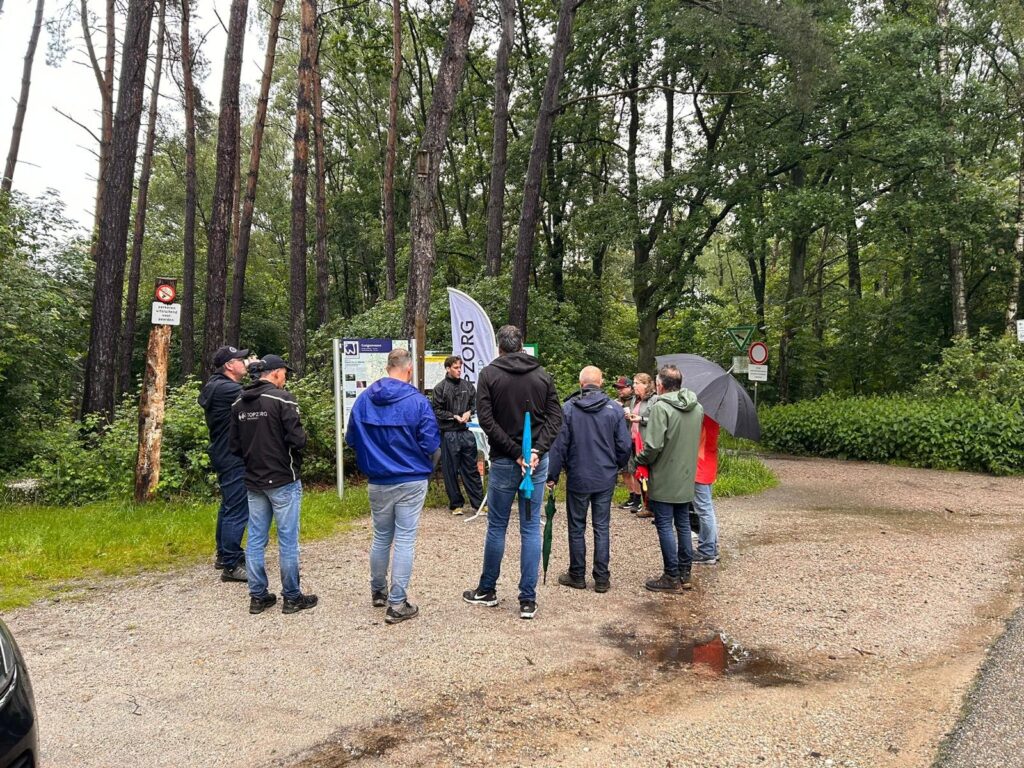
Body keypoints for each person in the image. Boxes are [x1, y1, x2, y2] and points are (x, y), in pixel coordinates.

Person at [463, 325, 562, 620]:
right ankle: (527, 600)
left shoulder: (489, 375)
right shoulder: (542, 375)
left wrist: (525, 452)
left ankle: (488, 590)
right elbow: (556, 418)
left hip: (512, 461)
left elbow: (487, 421)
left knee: (497, 526)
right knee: (530, 528)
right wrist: (533, 452)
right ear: (520, 346)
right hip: (530, 460)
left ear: (500, 348)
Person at [346, 348, 440, 624]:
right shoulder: (417, 401)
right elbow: (431, 443)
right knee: (405, 539)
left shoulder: (364, 400)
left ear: (388, 367)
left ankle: (378, 591)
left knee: (381, 536)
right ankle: (397, 602)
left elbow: (352, 439)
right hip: (410, 478)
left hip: (378, 479)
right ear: (409, 370)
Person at [230, 354, 317, 615]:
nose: (286, 378)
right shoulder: (282, 399)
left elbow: (234, 445)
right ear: (276, 372)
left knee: (256, 539)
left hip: (253, 480)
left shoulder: (237, 403)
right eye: (285, 373)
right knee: (288, 540)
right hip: (282, 479)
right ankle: (291, 597)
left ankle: (258, 596)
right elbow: (298, 439)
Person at [547, 366, 631, 593]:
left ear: (580, 383)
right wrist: (615, 465)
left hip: (578, 476)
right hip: (605, 476)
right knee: (601, 526)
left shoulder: (569, 409)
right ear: (601, 382)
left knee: (577, 526)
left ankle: (577, 574)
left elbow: (559, 446)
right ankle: (602, 578)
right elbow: (625, 446)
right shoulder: (614, 410)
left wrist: (552, 475)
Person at [635, 365, 703, 592]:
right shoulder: (698, 408)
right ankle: (685, 573)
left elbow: (653, 446)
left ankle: (670, 576)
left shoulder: (661, 408)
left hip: (664, 475)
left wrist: (639, 460)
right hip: (686, 475)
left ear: (661, 385)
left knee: (664, 524)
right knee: (683, 523)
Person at [197, 345, 251, 583]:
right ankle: (231, 563)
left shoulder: (217, 385)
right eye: (241, 359)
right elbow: (257, 397)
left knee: (229, 504)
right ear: (229, 365)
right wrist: (260, 372)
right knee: (237, 508)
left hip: (223, 451)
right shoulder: (227, 388)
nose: (245, 362)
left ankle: (223, 554)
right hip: (231, 455)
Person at [431, 355, 484, 515]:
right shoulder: (440, 388)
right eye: (455, 367)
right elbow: (437, 410)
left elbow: (475, 403)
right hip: (449, 433)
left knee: (471, 468)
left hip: (466, 433)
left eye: (460, 367)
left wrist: (469, 412)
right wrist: (453, 416)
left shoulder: (468, 386)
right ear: (448, 368)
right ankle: (456, 504)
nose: (459, 370)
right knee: (451, 470)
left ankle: (479, 503)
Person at [628, 372, 658, 518]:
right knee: (638, 472)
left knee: (649, 473)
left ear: (646, 385)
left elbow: (656, 419)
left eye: (636, 383)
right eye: (633, 383)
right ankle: (645, 504)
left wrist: (641, 419)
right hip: (634, 440)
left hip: (646, 440)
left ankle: (653, 505)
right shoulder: (634, 399)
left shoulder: (654, 399)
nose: (633, 386)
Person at [692, 415, 721, 565]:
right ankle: (711, 548)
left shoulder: (702, 417)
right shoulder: (715, 418)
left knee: (704, 510)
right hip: (709, 465)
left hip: (700, 467)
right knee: (707, 509)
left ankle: (707, 551)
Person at [613, 376, 641, 511]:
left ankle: (638, 498)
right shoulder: (617, 401)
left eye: (622, 388)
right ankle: (631, 496)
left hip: (634, 438)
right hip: (621, 439)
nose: (620, 391)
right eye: (618, 388)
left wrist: (624, 409)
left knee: (634, 470)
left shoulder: (637, 401)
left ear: (630, 387)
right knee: (624, 470)